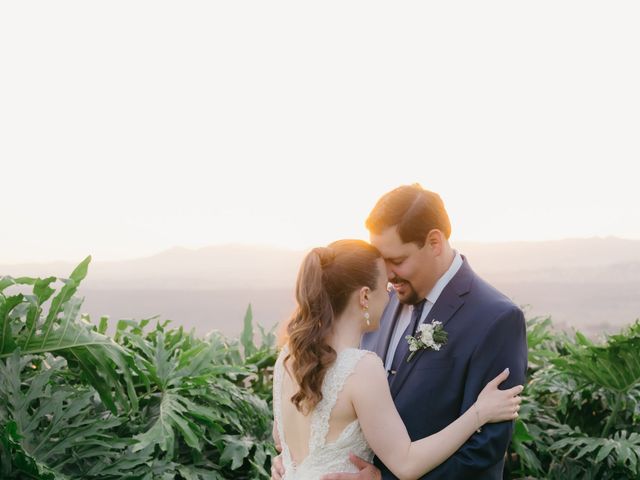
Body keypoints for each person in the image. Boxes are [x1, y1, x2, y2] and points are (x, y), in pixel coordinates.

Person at [271, 237, 524, 480]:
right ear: (364, 297)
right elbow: (406, 463)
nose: (390, 295)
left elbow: (281, 442)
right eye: (385, 288)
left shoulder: (288, 357)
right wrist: (479, 413)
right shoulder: (361, 368)